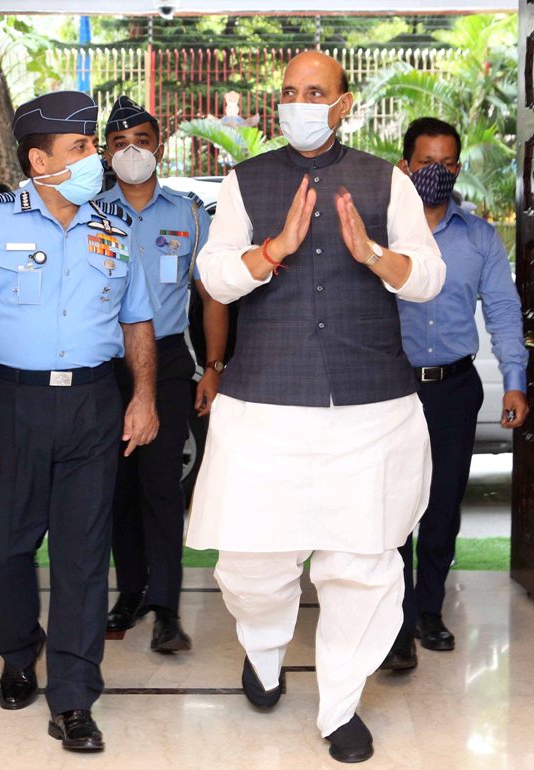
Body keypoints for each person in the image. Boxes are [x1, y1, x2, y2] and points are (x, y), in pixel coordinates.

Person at [186, 51, 446, 764]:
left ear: (343, 102)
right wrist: (272, 250)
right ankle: (264, 651)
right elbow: (213, 272)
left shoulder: (384, 181)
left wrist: (373, 256)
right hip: (265, 406)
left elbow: (427, 275)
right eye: (290, 92)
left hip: (369, 408)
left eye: (315, 93)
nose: (300, 103)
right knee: (250, 565)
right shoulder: (247, 181)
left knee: (361, 564)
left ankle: (339, 706)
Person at [0, 91, 158, 752]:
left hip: (92, 404)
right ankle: (16, 651)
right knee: (4, 547)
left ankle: (73, 698)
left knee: (85, 557)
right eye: (83, 147)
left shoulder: (113, 229)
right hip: (10, 401)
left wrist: (143, 395)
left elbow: (138, 321)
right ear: (40, 160)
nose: (98, 157)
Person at [379, 117, 529, 671]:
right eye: (425, 164)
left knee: (441, 508)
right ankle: (392, 620)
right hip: (389, 391)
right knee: (391, 508)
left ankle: (428, 610)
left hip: (453, 389)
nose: (435, 174)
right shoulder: (380, 236)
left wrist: (515, 380)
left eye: (445, 164)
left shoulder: (479, 237)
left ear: (457, 168)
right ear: (404, 166)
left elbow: (505, 312)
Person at [98, 96, 228, 650]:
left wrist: (214, 367)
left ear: (159, 146)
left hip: (172, 361)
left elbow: (212, 296)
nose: (133, 152)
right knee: (116, 487)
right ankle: (129, 590)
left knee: (161, 484)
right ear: (106, 153)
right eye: (121, 143)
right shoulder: (91, 214)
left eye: (142, 141)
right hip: (106, 365)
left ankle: (167, 607)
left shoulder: (191, 214)